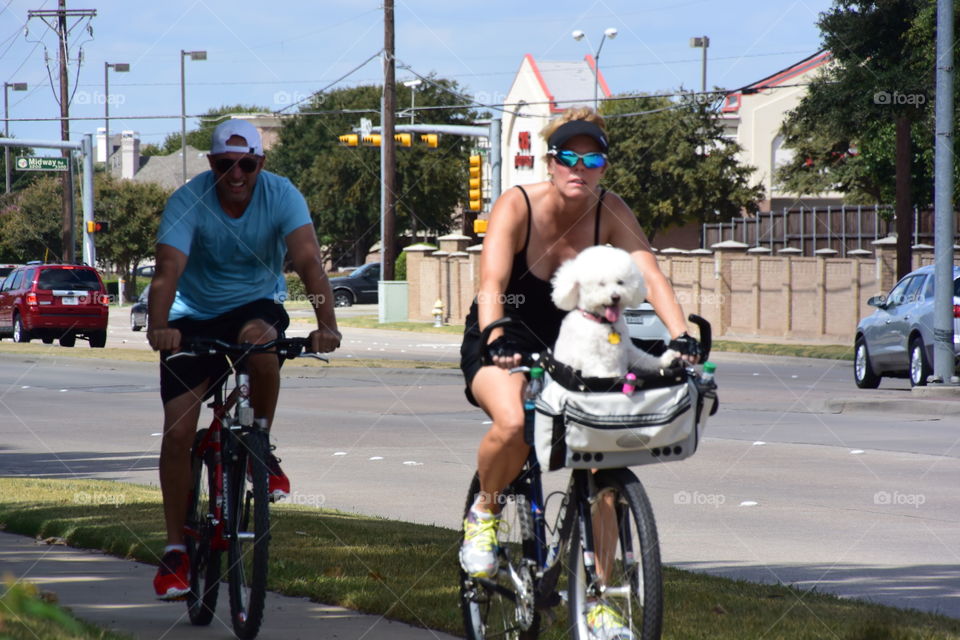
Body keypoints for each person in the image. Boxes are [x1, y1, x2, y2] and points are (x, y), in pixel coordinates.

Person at [458, 107, 700, 640]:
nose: (579, 167)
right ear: (551, 163)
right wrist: (496, 336)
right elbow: (492, 281)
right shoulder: (517, 204)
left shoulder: (609, 210)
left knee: (602, 463)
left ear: (603, 168)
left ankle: (601, 601)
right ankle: (485, 512)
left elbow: (650, 275)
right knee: (517, 420)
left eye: (592, 159)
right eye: (569, 156)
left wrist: (681, 334)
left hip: (579, 342)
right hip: (506, 337)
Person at [147, 119, 341, 600]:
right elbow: (167, 270)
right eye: (225, 165)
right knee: (177, 429)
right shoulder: (187, 201)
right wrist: (159, 325)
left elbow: (310, 262)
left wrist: (327, 324)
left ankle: (259, 445)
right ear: (211, 165)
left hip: (255, 306)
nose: (236, 175)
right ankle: (175, 552)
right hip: (192, 319)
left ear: (261, 164)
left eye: (247, 164)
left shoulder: (282, 196)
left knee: (261, 342)